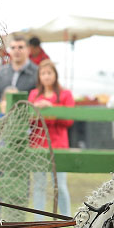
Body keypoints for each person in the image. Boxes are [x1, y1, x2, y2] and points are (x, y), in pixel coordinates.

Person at [28, 60, 74, 216]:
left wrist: (51, 109)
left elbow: (69, 120)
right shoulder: (34, 94)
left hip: (58, 145)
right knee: (39, 184)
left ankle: (65, 217)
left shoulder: (66, 94)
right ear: (39, 76)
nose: (46, 76)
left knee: (60, 184)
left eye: (49, 73)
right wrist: (37, 109)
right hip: (38, 145)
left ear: (55, 75)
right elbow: (28, 119)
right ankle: (38, 220)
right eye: (43, 73)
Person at [0, 35, 38, 107]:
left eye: (20, 47)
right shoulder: (2, 72)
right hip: (2, 116)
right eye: (13, 48)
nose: (16, 50)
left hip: (28, 116)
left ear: (28, 50)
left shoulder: (37, 72)